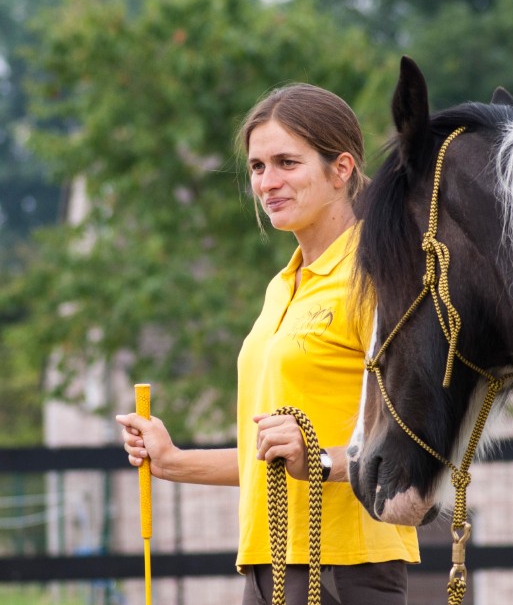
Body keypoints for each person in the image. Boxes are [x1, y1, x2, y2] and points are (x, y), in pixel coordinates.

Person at [116, 84, 419, 605]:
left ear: (341, 168)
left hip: (347, 569)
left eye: (286, 162)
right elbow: (275, 459)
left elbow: (411, 443)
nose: (268, 182)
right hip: (266, 564)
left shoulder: (377, 277)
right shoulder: (283, 285)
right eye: (258, 167)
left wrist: (320, 462)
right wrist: (172, 461)